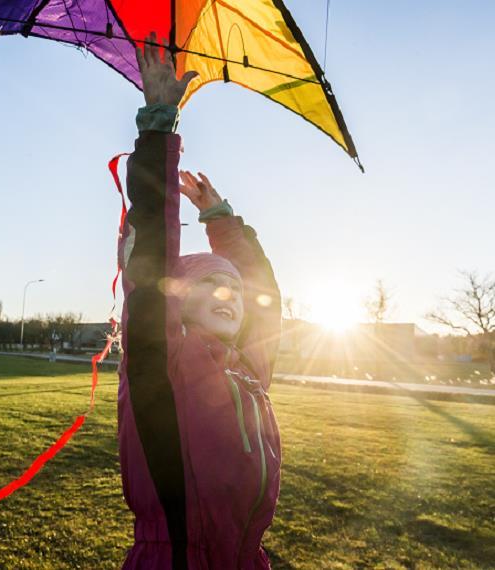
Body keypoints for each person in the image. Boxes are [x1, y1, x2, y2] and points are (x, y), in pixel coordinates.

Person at [117, 33, 282, 569]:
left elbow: (265, 298)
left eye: (233, 290)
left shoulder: (249, 369)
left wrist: (222, 222)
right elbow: (152, 267)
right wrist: (159, 127)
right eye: (211, 286)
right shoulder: (161, 366)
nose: (229, 296)